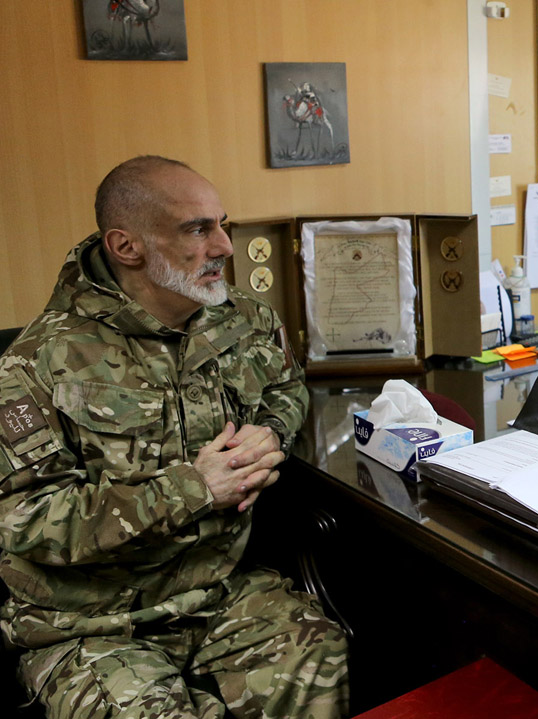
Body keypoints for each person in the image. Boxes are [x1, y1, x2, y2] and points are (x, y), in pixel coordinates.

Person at [0, 156, 348, 718]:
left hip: (216, 591)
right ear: (127, 245)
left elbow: (286, 387)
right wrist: (191, 488)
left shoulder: (247, 319)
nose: (226, 246)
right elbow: (27, 526)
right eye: (197, 229)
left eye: (222, 223)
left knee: (317, 654)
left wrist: (271, 435)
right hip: (90, 625)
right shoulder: (36, 364)